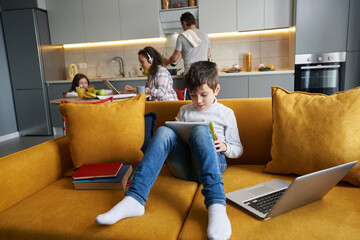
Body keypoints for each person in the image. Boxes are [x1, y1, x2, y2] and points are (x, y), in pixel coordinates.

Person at [95, 61, 243, 240]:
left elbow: (238, 149)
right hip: (185, 167)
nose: (198, 101)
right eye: (193, 95)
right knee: (164, 130)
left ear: (216, 90)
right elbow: (177, 138)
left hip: (214, 164)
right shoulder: (185, 110)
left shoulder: (226, 113)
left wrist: (225, 147)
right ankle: (135, 198)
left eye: (204, 95)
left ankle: (216, 204)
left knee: (201, 130)